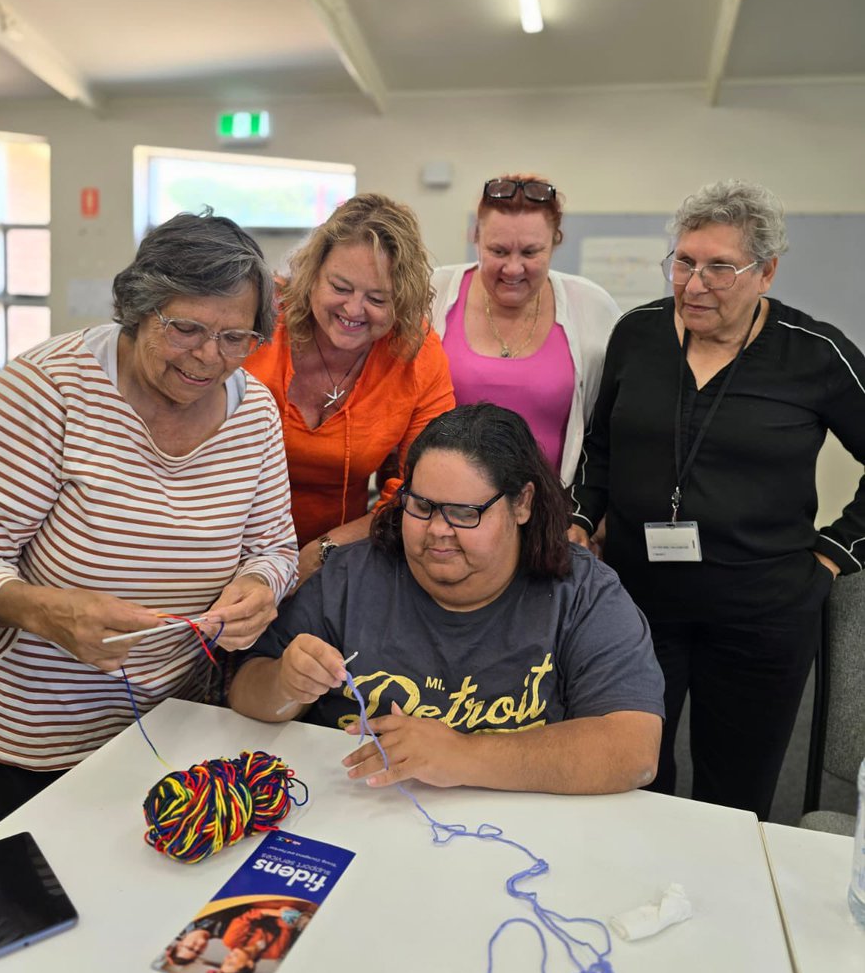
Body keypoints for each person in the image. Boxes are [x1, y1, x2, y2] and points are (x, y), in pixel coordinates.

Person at [0, 211, 298, 840]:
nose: (209, 358)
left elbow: (274, 547)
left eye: (236, 338)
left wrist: (261, 587)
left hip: (178, 733)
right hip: (34, 745)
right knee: (35, 921)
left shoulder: (253, 412)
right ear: (139, 309)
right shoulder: (45, 394)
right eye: (187, 329)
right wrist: (46, 613)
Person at [568, 179, 865, 819]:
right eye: (683, 261)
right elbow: (601, 446)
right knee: (630, 776)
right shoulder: (638, 334)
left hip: (762, 614)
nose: (694, 284)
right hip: (636, 604)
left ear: (766, 272)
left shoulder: (814, 353)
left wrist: (836, 553)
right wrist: (582, 518)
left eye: (719, 268)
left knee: (735, 794)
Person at [230, 403, 664, 795]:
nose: (438, 529)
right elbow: (245, 692)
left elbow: (633, 749)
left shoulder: (581, 593)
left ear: (522, 505)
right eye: (420, 506)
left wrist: (462, 755)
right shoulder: (351, 576)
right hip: (355, 816)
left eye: (464, 513)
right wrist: (285, 685)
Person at [245, 193, 455, 586]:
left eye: (377, 299)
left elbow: (422, 485)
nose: (354, 310)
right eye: (340, 287)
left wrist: (325, 549)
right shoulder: (261, 317)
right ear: (311, 275)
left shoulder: (416, 353)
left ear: (402, 301)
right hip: (227, 542)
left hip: (336, 560)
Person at [432, 174, 619, 482]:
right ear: (475, 236)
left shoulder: (591, 305)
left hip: (551, 510)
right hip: (447, 506)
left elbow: (606, 429)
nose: (513, 268)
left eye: (530, 252)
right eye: (499, 251)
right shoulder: (434, 294)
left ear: (555, 242)